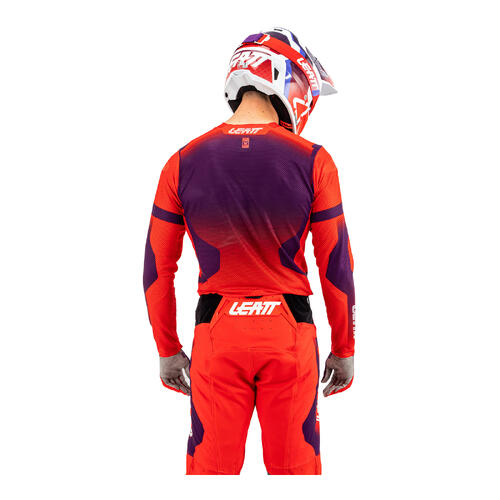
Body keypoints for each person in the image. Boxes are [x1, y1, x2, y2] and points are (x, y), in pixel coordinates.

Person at [143, 28, 355, 475]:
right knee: (295, 476)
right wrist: (344, 346)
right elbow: (335, 263)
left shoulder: (181, 162)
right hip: (289, 331)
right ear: (290, 79)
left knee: (210, 476)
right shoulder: (314, 160)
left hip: (216, 332)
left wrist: (167, 348)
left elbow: (157, 268)